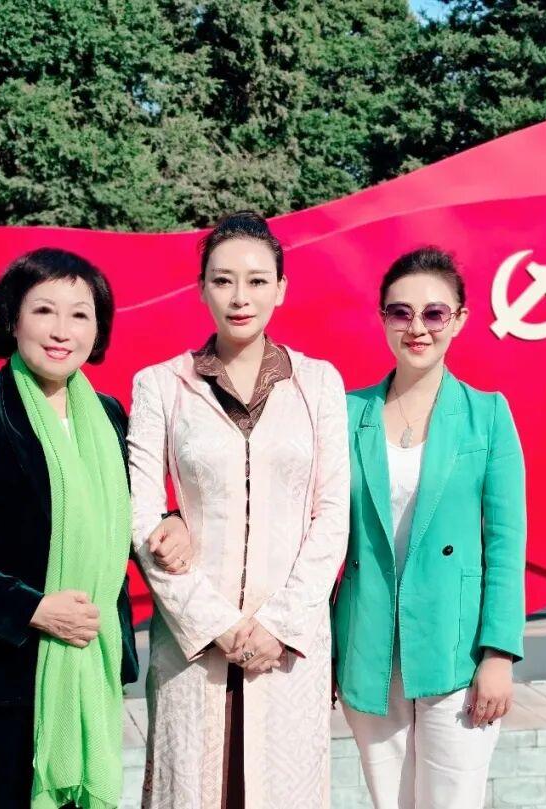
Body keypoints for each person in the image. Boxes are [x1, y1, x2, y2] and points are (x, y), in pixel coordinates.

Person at [0, 248, 187, 809]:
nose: (62, 331)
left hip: (92, 661)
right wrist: (31, 607)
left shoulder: (109, 417)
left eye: (80, 314)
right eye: (44, 311)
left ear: (97, 329)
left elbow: (125, 517)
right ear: (12, 319)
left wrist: (171, 524)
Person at [127, 211, 349, 809]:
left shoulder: (318, 383)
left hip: (289, 645)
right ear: (202, 288)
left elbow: (332, 514)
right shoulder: (161, 385)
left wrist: (280, 626)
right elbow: (142, 515)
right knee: (191, 788)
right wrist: (213, 623)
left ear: (281, 288)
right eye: (223, 280)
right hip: (192, 645)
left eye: (256, 281)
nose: (239, 297)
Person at [333, 246, 527, 808]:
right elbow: (317, 532)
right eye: (401, 312)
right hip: (368, 641)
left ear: (459, 320)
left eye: (434, 313)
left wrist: (498, 653)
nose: (417, 328)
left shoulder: (487, 415)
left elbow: (505, 542)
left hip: (455, 644)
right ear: (383, 319)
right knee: (389, 800)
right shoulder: (345, 413)